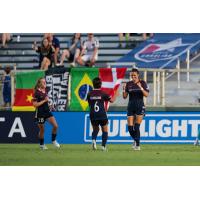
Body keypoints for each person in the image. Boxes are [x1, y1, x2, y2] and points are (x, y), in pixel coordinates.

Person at [87, 77, 118, 151]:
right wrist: (116, 93)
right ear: (100, 84)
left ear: (93, 84)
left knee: (95, 129)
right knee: (105, 130)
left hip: (93, 114)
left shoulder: (89, 94)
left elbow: (90, 104)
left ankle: (94, 140)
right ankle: (103, 146)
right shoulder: (103, 93)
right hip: (102, 114)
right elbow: (112, 100)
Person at [123, 68, 149, 150]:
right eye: (131, 75)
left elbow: (146, 94)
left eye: (134, 75)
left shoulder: (143, 83)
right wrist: (124, 90)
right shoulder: (128, 84)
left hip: (139, 106)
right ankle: (135, 139)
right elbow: (124, 97)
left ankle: (137, 145)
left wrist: (141, 88)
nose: (133, 77)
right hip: (131, 106)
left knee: (137, 127)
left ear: (138, 75)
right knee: (130, 128)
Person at [32, 78, 60, 150]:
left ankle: (53, 141)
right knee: (42, 130)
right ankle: (42, 145)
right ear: (39, 84)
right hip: (40, 113)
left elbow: (45, 102)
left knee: (55, 126)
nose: (45, 83)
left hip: (47, 112)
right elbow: (35, 105)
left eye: (45, 82)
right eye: (43, 82)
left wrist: (50, 105)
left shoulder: (45, 91)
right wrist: (44, 101)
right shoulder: (36, 93)